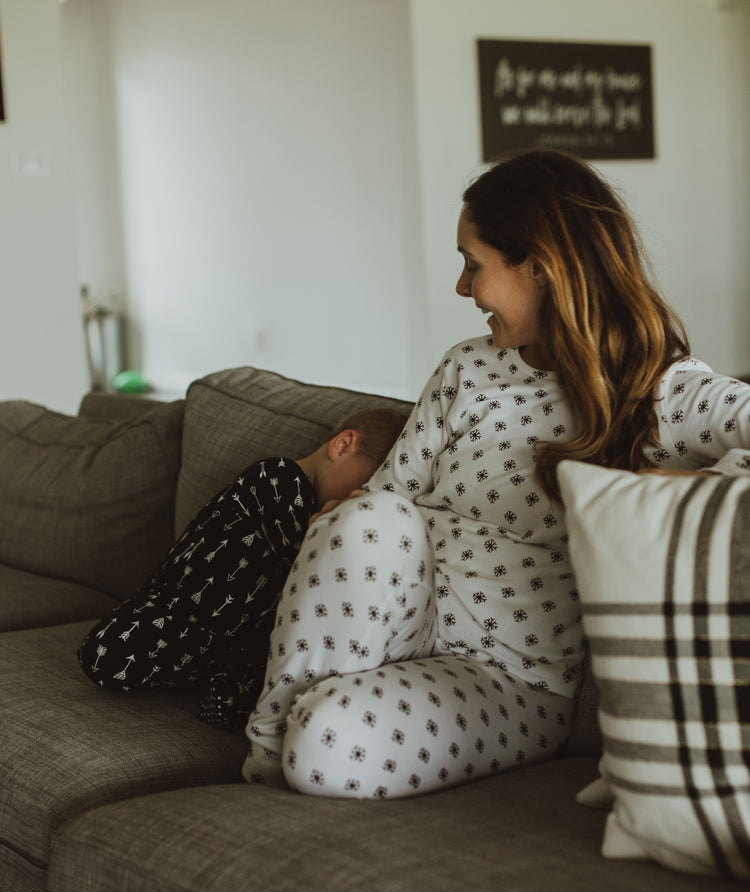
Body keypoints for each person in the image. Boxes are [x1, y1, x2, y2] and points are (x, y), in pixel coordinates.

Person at [242, 147, 750, 796]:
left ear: (540, 267)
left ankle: (294, 744)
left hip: (509, 679)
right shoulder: (468, 368)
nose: (463, 288)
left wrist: (681, 489)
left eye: (472, 264)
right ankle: (261, 758)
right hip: (400, 615)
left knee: (321, 743)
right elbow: (385, 500)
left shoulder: (661, 396)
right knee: (368, 514)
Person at [78, 406, 408, 728]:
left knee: (250, 693)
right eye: (365, 487)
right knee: (105, 655)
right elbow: (300, 549)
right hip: (177, 610)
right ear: (342, 445)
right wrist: (334, 518)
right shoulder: (276, 477)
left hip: (226, 645)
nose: (360, 500)